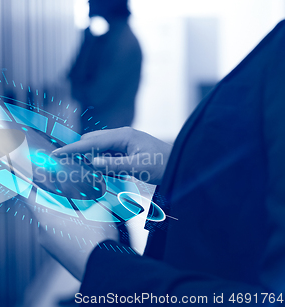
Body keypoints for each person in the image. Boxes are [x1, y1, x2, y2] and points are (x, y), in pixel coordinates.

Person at [29, 20, 285, 305]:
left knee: (112, 212)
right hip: (111, 144)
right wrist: (178, 163)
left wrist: (103, 267)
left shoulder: (122, 43)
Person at [69, 0, 142, 129]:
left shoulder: (122, 43)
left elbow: (95, 96)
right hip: (104, 127)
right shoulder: (110, 38)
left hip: (108, 128)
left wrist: (76, 87)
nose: (88, 4)